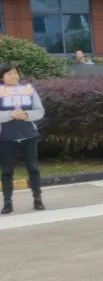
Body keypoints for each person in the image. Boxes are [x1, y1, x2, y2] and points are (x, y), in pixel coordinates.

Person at [0, 64, 45, 214]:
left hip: (28, 135)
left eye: (15, 73)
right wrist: (9, 115)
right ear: (2, 77)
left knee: (33, 168)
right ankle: (7, 202)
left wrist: (26, 115)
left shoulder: (28, 90)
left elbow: (40, 111)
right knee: (7, 171)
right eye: (9, 74)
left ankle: (37, 199)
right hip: (6, 138)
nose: (13, 76)